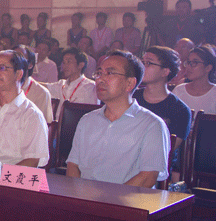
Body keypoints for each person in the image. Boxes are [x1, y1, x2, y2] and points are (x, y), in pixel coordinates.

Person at [67, 51, 170, 187]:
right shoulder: (87, 120)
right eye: (99, 73)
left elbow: (148, 177)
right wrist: (77, 195)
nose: (100, 79)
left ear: (129, 83)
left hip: (125, 199)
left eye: (109, 73)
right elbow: (73, 165)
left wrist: (109, 198)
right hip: (83, 196)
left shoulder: (151, 125)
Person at [134, 46, 192, 181]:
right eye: (142, 62)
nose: (142, 67)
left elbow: (168, 148)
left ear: (165, 71)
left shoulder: (180, 110)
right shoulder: (130, 98)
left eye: (148, 63)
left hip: (155, 171)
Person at [173, 45, 216, 115]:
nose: (189, 66)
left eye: (195, 63)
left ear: (208, 68)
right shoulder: (179, 90)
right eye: (188, 62)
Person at [13, 45, 54, 123]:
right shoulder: (3, 88)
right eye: (12, 60)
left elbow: (45, 125)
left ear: (30, 65)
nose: (15, 63)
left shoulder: (41, 93)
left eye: (20, 58)